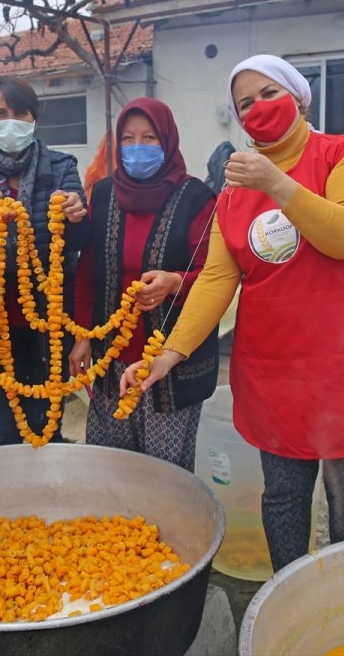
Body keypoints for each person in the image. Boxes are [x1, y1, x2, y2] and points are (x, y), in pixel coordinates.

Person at [122, 54, 344, 571]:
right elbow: (217, 278)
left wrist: (277, 183)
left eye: (269, 94)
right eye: (245, 104)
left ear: (298, 98)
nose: (258, 108)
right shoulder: (235, 190)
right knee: (282, 497)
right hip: (276, 372)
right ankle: (288, 596)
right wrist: (168, 353)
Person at [70, 98, 218, 471]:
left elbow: (215, 277)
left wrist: (175, 282)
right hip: (111, 361)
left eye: (149, 138)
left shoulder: (197, 198)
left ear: (167, 140)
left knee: (163, 473)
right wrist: (83, 335)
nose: (138, 147)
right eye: (129, 138)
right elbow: (88, 268)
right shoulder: (104, 193)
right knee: (111, 467)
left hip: (170, 368)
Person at [0, 76, 89, 446]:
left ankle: (50, 484)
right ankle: (7, 486)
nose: (11, 121)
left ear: (34, 118)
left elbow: (78, 242)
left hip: (49, 321)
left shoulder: (60, 168)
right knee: (5, 426)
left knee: (48, 422)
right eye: (0, 113)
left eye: (20, 112)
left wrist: (76, 215)